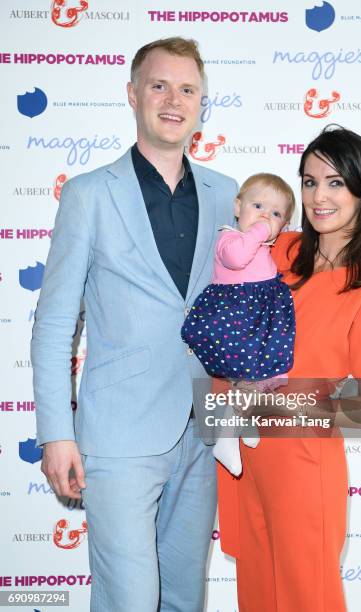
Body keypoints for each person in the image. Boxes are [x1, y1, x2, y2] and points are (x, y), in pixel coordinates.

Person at [31, 37, 238, 612]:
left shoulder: (230, 196)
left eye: (188, 89)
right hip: (118, 436)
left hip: (203, 432)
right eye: (159, 85)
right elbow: (52, 325)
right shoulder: (89, 195)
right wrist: (56, 433)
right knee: (129, 600)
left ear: (202, 105)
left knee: (183, 599)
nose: (174, 100)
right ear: (132, 94)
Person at [217, 125, 361, 612]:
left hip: (304, 465)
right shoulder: (280, 250)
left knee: (307, 598)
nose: (318, 196)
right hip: (242, 457)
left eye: (335, 182)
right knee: (256, 595)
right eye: (308, 181)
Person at [181, 173, 296, 476]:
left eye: (275, 213)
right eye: (257, 205)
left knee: (266, 371)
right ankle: (227, 435)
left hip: (255, 317)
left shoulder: (264, 245)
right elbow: (236, 258)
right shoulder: (229, 238)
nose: (263, 216)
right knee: (250, 373)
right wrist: (260, 231)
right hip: (233, 318)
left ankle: (240, 419)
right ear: (237, 206)